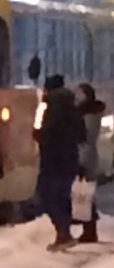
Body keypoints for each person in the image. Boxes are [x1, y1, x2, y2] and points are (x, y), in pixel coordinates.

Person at [35, 74, 86, 251]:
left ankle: (63, 233)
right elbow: (82, 135)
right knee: (62, 196)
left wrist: (40, 136)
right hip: (69, 158)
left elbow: (44, 134)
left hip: (53, 159)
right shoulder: (73, 108)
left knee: (46, 195)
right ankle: (64, 233)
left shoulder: (49, 108)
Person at [75, 82, 105, 243]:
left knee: (85, 195)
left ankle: (89, 230)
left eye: (79, 93)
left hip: (85, 156)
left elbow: (86, 138)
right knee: (86, 195)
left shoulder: (88, 115)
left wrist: (81, 162)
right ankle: (89, 228)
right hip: (87, 155)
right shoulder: (90, 112)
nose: (76, 97)